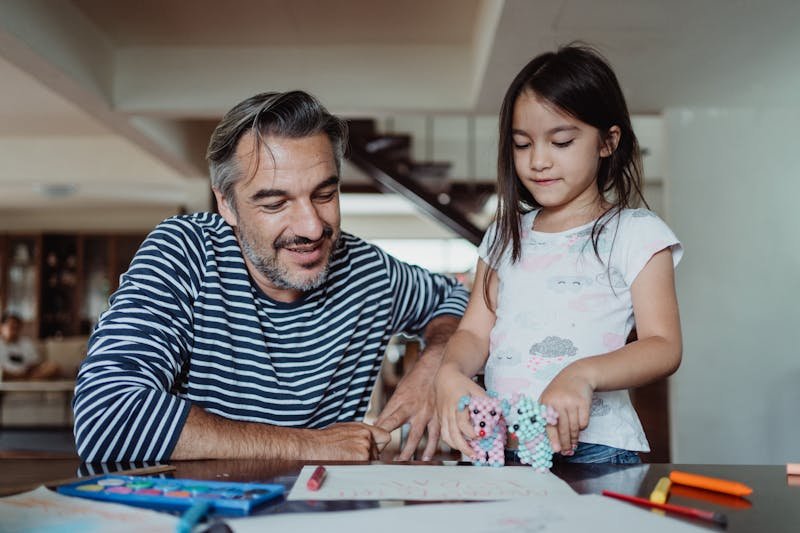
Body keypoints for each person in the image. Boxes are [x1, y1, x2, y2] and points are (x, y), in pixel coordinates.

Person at [73, 91, 468, 463]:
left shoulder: (367, 272)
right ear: (227, 204)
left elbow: (460, 298)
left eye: (324, 194)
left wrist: (435, 366)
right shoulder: (187, 252)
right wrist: (310, 445)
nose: (312, 227)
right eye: (276, 203)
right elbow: (105, 417)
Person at [434, 44, 683, 464]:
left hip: (597, 448)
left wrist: (582, 373)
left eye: (561, 141)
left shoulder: (637, 233)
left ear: (607, 142)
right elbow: (474, 333)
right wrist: (450, 372)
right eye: (522, 144)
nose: (538, 161)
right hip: (503, 447)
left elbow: (663, 346)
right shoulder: (503, 235)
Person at [0, 312, 60, 380]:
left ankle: (25, 380)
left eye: (16, 327)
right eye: (11, 327)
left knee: (53, 367)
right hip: (7, 373)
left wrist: (28, 370)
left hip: (27, 374)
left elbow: (35, 363)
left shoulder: (26, 343)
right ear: (1, 327)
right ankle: (27, 380)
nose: (14, 330)